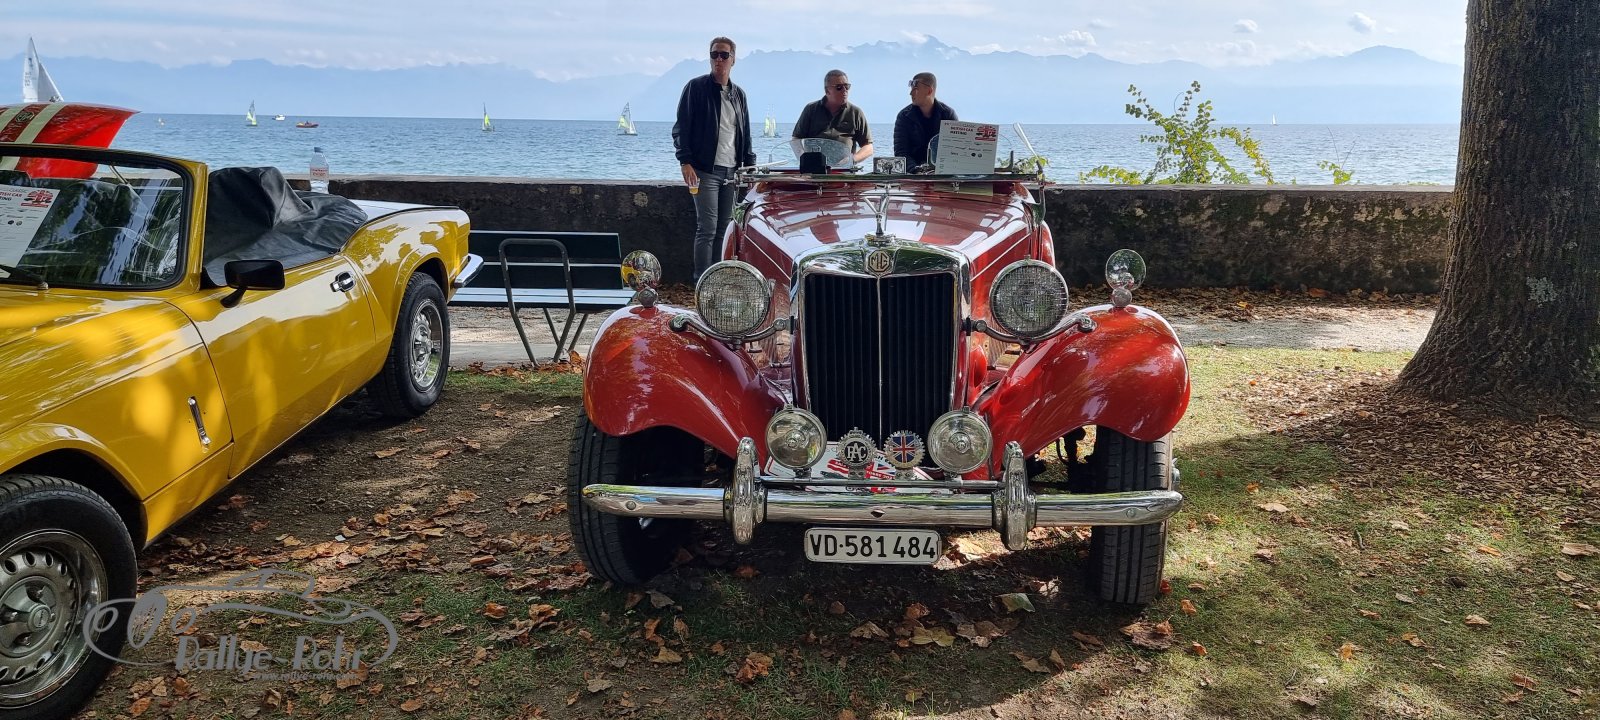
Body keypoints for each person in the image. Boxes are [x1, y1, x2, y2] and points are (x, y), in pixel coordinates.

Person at [672, 36, 756, 281]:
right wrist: (685, 162)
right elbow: (682, 127)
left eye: (724, 55)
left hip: (732, 172)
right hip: (704, 170)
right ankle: (701, 281)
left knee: (724, 229)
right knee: (706, 229)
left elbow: (745, 133)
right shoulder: (695, 88)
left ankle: (717, 282)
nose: (719, 59)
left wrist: (750, 168)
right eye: (714, 54)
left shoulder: (739, 95)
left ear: (733, 60)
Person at [791, 69, 874, 164]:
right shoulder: (811, 109)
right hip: (814, 169)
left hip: (844, 170)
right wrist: (805, 160)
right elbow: (796, 140)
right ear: (827, 91)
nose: (844, 90)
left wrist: (851, 160)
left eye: (847, 86)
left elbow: (868, 147)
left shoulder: (855, 113)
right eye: (839, 87)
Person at [893, 72, 958, 168]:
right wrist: (916, 170)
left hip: (941, 171)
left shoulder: (948, 115)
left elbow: (955, 150)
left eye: (915, 89)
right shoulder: (904, 117)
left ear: (929, 91)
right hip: (913, 172)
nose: (911, 93)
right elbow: (901, 153)